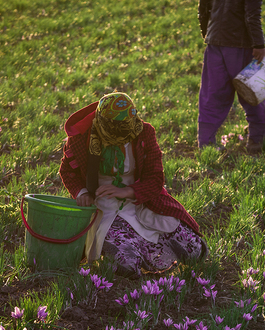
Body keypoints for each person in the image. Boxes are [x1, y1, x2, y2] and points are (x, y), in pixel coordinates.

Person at [59, 92, 207, 278]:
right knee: (127, 262)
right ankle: (113, 253)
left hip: (142, 202)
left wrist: (126, 191)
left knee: (193, 249)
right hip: (104, 209)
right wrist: (82, 193)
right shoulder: (81, 139)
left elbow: (155, 178)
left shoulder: (143, 132)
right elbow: (68, 172)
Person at [198, 0, 265, 152]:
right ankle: (257, 141)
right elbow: (252, 15)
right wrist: (258, 44)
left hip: (214, 44)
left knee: (212, 96)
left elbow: (203, 8)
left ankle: (206, 145)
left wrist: (208, 33)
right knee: (253, 92)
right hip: (241, 44)